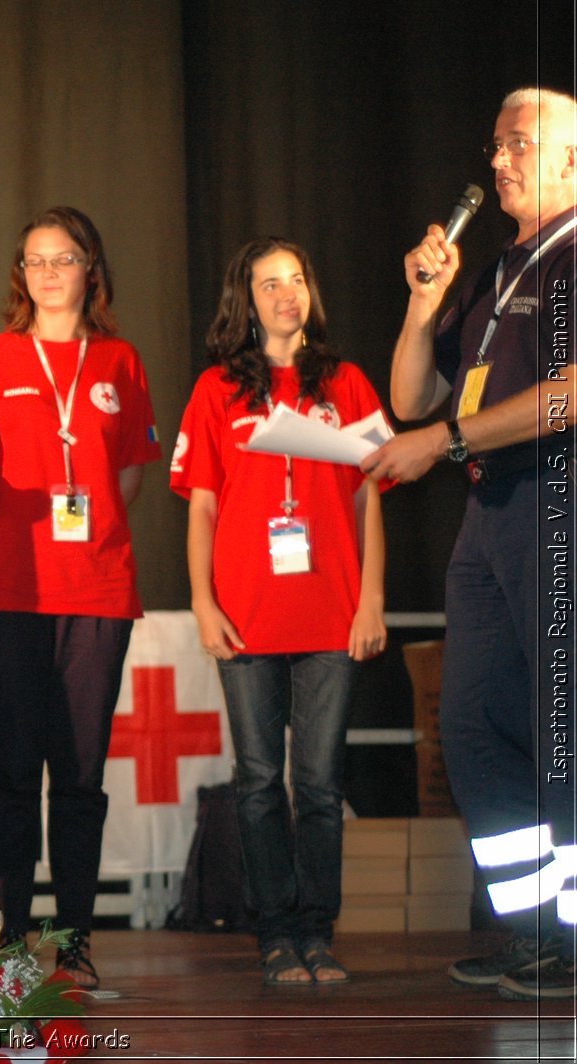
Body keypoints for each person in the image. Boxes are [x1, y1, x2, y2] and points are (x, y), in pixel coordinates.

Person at [361, 86, 576, 1001]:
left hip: (556, 507)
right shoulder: (495, 270)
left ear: (573, 157)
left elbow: (569, 395)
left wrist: (448, 443)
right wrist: (425, 301)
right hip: (489, 519)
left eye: (520, 144)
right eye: (495, 145)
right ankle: (536, 934)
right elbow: (410, 397)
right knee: (475, 724)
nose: (498, 161)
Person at [172, 237, 389, 986]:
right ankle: (274, 934)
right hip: (247, 614)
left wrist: (372, 600)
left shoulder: (350, 384)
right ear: (247, 299)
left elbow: (369, 501)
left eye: (297, 279)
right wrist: (202, 603)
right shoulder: (215, 391)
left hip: (332, 612)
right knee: (259, 780)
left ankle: (318, 931)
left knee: (321, 786)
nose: (287, 293)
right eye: (270, 283)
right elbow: (200, 508)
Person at [0, 208, 161, 989]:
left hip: (97, 591)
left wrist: (91, 526)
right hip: (7, 589)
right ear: (22, 274)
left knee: (79, 774)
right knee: (11, 770)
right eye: (34, 260)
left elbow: (131, 474)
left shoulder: (120, 360)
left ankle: (73, 944)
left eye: (64, 258)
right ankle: (13, 942)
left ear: (91, 269)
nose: (48, 272)